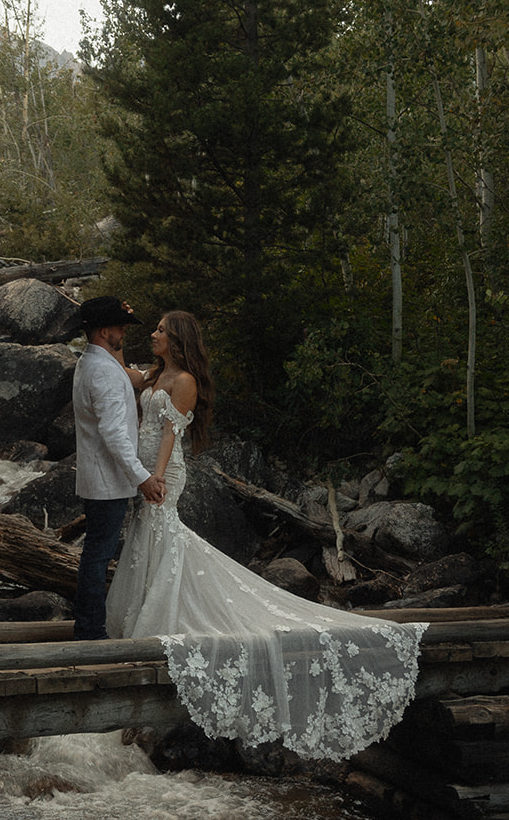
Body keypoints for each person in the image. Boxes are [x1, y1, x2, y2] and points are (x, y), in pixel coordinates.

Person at [106, 310, 428, 761]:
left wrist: (156, 477)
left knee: (162, 534)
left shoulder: (185, 383)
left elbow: (168, 436)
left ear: (178, 339)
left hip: (163, 471)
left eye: (160, 330)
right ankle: (149, 606)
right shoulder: (157, 374)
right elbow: (124, 371)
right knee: (147, 538)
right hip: (141, 471)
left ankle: (167, 612)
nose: (154, 335)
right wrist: (107, 337)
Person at [72, 296, 166, 640]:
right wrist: (142, 478)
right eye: (119, 326)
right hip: (107, 480)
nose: (124, 331)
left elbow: (133, 379)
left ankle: (88, 624)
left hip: (99, 477)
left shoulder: (91, 363)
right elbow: (113, 435)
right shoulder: (103, 372)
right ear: (102, 330)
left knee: (96, 554)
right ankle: (90, 630)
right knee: (98, 557)